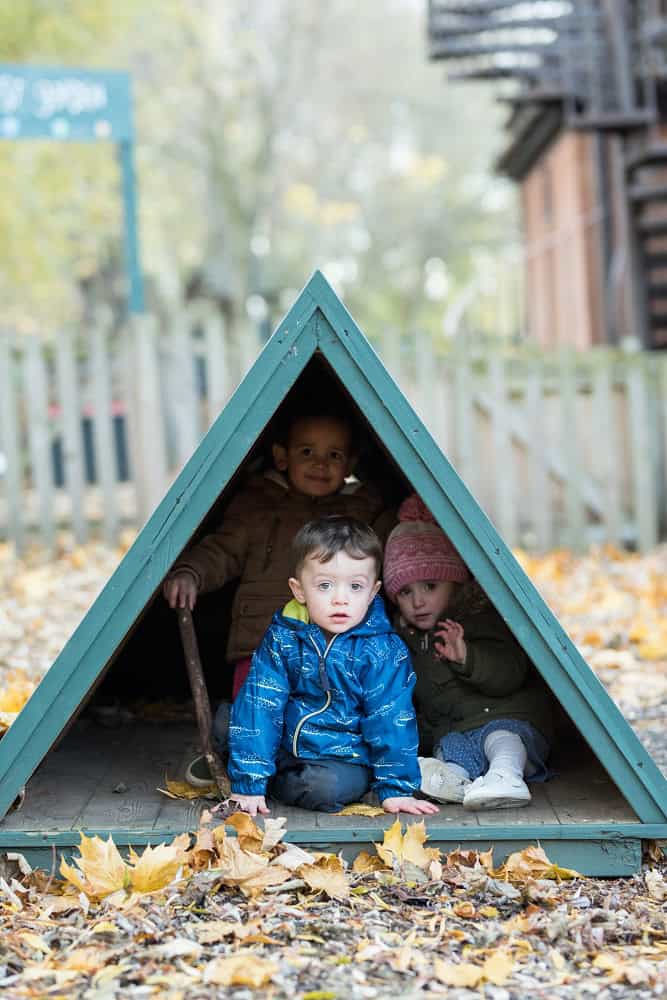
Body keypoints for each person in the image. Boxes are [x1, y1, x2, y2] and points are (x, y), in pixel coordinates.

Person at [163, 399, 387, 785]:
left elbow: (391, 549)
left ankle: (291, 769)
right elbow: (222, 549)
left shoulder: (361, 513)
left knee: (317, 716)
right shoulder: (257, 507)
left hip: (333, 645)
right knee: (258, 712)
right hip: (259, 640)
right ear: (282, 457)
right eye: (306, 452)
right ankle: (229, 739)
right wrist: (190, 573)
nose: (320, 463)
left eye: (333, 455)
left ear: (350, 465)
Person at [226, 516, 440, 817]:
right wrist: (247, 784)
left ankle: (274, 781)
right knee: (234, 719)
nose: (340, 599)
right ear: (299, 590)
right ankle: (256, 773)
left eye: (355, 586)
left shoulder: (382, 650)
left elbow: (391, 718)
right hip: (285, 748)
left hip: (345, 759)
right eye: (325, 585)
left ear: (373, 591)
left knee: (321, 787)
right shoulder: (285, 636)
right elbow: (261, 703)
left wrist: (395, 789)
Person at [383, 494, 554, 811]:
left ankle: (506, 777)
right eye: (406, 592)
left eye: (430, 586)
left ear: (456, 584)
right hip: (458, 730)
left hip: (511, 719)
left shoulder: (478, 619)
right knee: (450, 750)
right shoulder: (403, 641)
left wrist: (467, 657)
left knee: (500, 738)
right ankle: (454, 783)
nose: (418, 602)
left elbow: (509, 674)